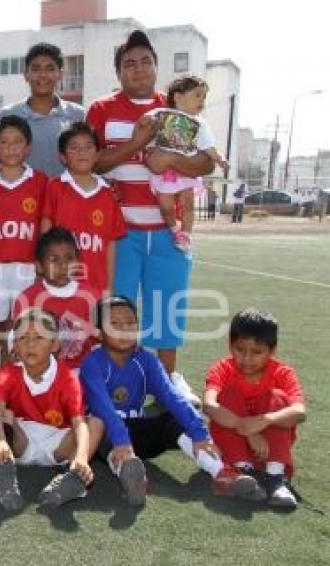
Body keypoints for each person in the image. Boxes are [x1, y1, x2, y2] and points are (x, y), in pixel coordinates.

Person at [86, 29, 213, 386]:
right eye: (129, 64)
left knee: (167, 311)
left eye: (145, 62)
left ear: (157, 67)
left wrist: (169, 157)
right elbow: (93, 163)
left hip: (167, 231)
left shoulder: (175, 108)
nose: (138, 69)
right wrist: (138, 142)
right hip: (119, 231)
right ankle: (120, 383)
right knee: (118, 313)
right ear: (118, 72)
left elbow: (205, 162)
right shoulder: (101, 109)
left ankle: (167, 383)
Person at [79, 296, 265, 506]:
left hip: (138, 432)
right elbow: (103, 407)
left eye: (130, 322)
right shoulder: (91, 364)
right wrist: (122, 442)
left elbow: (171, 395)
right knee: (98, 426)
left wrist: (200, 433)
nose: (124, 329)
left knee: (172, 419)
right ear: (98, 333)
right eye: (114, 324)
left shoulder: (147, 360)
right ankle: (130, 474)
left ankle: (221, 473)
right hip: (108, 434)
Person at [0, 308, 103, 511]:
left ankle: (73, 478)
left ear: (55, 344)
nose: (30, 344)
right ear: (15, 346)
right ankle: (3, 476)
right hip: (22, 441)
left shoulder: (67, 378)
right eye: (22, 338)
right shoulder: (8, 373)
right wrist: (1, 441)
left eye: (39, 337)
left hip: (58, 446)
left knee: (96, 423)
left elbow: (78, 423)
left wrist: (81, 456)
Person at [203, 309, 306, 508]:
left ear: (272, 350)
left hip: (267, 450)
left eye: (257, 352)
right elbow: (209, 404)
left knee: (278, 398)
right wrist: (245, 428)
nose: (247, 359)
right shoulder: (222, 369)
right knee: (227, 396)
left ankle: (275, 478)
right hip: (232, 448)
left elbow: (299, 412)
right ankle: (244, 472)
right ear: (230, 345)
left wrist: (264, 421)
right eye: (239, 349)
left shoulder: (283, 373)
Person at [0, 115, 48, 393]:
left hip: (26, 270)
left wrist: (41, 266)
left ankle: (25, 387)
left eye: (18, 142)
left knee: (26, 331)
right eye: (4, 142)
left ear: (28, 146)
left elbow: (45, 227)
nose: (11, 148)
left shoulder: (40, 182)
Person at [139, 75, 228, 252]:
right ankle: (175, 229)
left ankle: (186, 235)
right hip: (165, 172)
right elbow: (145, 122)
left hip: (187, 170)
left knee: (188, 204)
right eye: (197, 95)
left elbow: (207, 145)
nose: (201, 101)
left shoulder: (200, 123)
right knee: (165, 206)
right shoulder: (161, 114)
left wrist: (219, 158)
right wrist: (143, 122)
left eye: (203, 97)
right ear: (178, 97)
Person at [41, 122, 127, 297]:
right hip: (61, 281)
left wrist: (108, 286)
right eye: (74, 147)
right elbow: (45, 231)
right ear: (63, 157)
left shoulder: (109, 194)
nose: (82, 152)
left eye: (88, 147)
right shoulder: (55, 187)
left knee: (91, 324)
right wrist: (45, 270)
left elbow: (110, 243)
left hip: (96, 283)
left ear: (97, 155)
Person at [11, 227, 98, 373]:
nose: (63, 266)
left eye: (69, 258)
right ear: (39, 266)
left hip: (83, 372)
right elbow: (19, 346)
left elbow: (100, 344)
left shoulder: (92, 297)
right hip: (41, 371)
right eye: (54, 260)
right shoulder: (27, 299)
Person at [0, 43, 84, 177]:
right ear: (26, 74)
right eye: (36, 69)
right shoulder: (8, 115)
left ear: (60, 74)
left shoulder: (78, 115)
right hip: (24, 196)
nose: (43, 75)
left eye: (50, 68)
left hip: (67, 197)